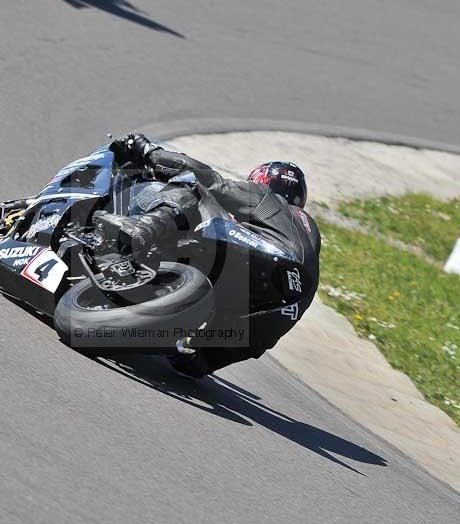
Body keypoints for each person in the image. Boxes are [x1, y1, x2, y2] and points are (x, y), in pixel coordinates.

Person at [94, 133, 321, 378]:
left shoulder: (268, 199)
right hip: (283, 309)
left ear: (262, 181)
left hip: (262, 258)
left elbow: (212, 181)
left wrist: (149, 152)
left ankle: (143, 229)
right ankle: (194, 354)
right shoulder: (309, 237)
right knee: (202, 358)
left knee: (193, 189)